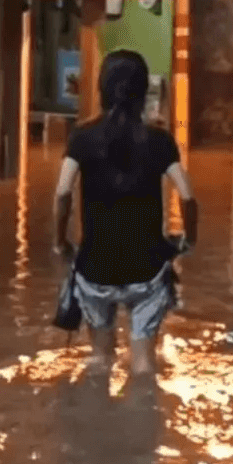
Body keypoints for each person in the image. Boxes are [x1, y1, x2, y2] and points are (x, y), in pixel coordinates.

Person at [53, 50, 199, 378]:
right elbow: (188, 196)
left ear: (102, 89)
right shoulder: (160, 141)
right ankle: (144, 408)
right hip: (146, 269)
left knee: (99, 360)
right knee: (145, 365)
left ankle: (94, 406)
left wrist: (60, 243)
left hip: (95, 267)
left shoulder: (82, 138)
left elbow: (62, 194)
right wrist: (189, 240)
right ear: (143, 91)